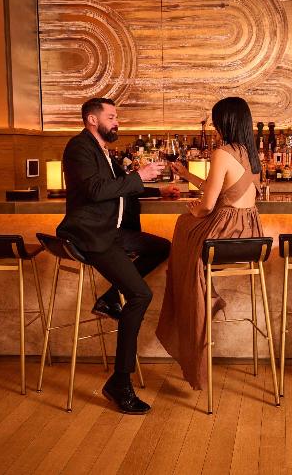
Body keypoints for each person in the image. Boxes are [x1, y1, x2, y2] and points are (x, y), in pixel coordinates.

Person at [57, 97, 178, 415]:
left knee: (161, 247)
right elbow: (96, 191)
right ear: (92, 119)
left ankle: (110, 298)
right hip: (92, 235)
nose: (116, 122)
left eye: (116, 117)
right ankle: (120, 383)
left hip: (112, 232)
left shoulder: (103, 151)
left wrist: (157, 190)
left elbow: (118, 188)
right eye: (111, 116)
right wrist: (140, 175)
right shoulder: (78, 148)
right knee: (140, 295)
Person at [156, 96, 264, 390]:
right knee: (189, 235)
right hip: (251, 235)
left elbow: (206, 206)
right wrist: (187, 174)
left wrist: (196, 211)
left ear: (223, 122)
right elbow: (223, 189)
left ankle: (202, 298)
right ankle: (208, 292)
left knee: (183, 226)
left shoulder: (222, 152)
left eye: (216, 121)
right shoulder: (251, 153)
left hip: (225, 233)